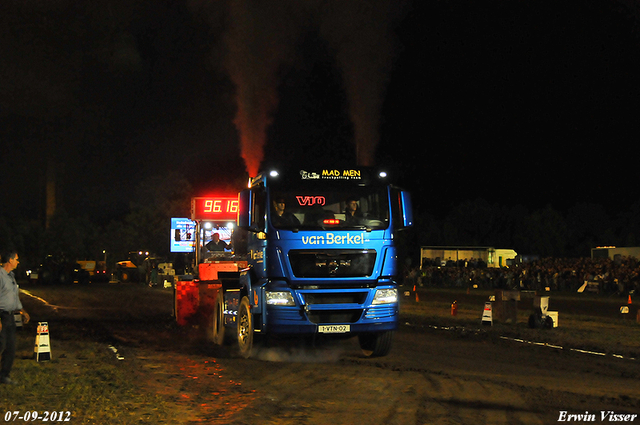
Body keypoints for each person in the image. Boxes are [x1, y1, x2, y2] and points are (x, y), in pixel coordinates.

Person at [0, 250, 30, 385]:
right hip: (2, 316)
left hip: (11, 316)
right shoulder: (0, 276)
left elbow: (14, 296)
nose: (18, 262)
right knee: (1, 345)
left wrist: (22, 310)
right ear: (10, 260)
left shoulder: (11, 276)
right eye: (16, 259)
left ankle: (4, 375)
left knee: (10, 347)